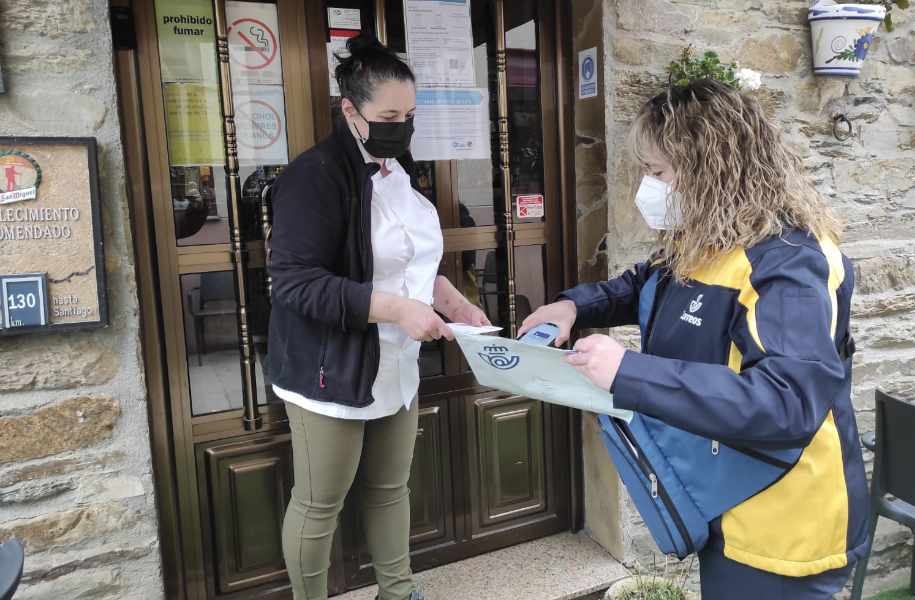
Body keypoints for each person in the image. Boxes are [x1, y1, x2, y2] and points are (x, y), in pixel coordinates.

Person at [520, 79, 870, 600]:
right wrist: (575, 306)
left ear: (711, 169)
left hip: (782, 525)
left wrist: (628, 372)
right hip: (724, 493)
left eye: (658, 172)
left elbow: (788, 401)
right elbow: (645, 284)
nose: (647, 187)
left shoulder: (789, 261)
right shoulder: (710, 237)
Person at [266, 34, 489, 600]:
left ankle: (399, 592)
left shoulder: (396, 171)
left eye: (409, 116)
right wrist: (397, 309)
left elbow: (405, 263)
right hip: (331, 370)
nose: (402, 128)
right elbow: (295, 283)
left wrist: (453, 302)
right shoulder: (314, 176)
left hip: (396, 364)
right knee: (319, 504)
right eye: (389, 117)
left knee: (391, 489)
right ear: (350, 111)